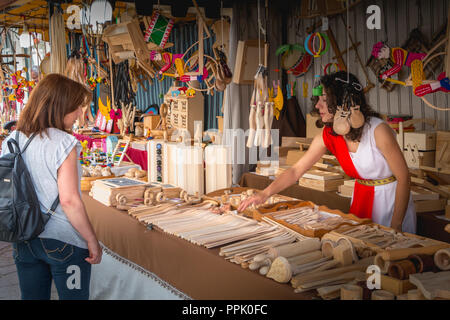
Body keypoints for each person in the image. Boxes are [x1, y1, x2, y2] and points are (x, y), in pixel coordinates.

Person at [238, 71, 416, 234]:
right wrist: (264, 194)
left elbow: (403, 178)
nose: (317, 105)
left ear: (342, 102)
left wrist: (397, 223)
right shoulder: (328, 135)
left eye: (324, 99)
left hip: (391, 203)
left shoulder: (378, 130)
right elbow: (295, 171)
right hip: (361, 198)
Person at [1, 73, 102, 300]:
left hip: (23, 236)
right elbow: (69, 201)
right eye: (76, 107)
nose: (79, 114)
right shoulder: (64, 143)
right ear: (60, 106)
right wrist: (91, 240)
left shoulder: (12, 139)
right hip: (64, 241)